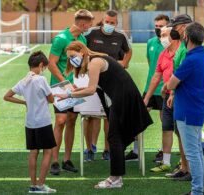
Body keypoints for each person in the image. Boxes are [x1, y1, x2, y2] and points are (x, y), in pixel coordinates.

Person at [55, 41, 152, 188]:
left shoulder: (95, 62)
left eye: (73, 56)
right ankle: (116, 177)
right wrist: (73, 91)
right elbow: (93, 87)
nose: (71, 60)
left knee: (114, 137)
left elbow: (91, 89)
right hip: (122, 98)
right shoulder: (95, 61)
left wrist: (68, 94)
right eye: (69, 58)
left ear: (82, 52)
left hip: (123, 98)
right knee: (115, 138)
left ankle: (115, 179)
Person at [164, 22, 204, 195]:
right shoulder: (202, 57)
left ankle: (197, 191)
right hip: (195, 110)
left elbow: (171, 82)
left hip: (188, 112)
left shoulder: (190, 59)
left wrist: (170, 88)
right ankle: (198, 190)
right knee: (196, 152)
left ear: (187, 38)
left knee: (193, 154)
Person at [48, 9, 94, 175]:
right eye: (89, 24)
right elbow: (51, 63)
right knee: (60, 121)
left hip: (75, 87)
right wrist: (64, 82)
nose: (91, 27)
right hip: (59, 87)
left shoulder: (82, 39)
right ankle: (54, 160)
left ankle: (66, 160)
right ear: (82, 24)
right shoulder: (60, 39)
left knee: (72, 121)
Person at [3, 51, 56, 193]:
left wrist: (24, 102)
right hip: (43, 122)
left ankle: (33, 185)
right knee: (48, 151)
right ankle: (41, 185)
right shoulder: (41, 80)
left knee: (33, 152)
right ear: (40, 65)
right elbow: (51, 100)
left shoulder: (23, 80)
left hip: (30, 123)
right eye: (44, 67)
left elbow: (7, 96)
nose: (44, 70)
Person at [84, 10, 132, 161]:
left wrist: (124, 63)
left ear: (116, 23)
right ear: (103, 20)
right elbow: (80, 48)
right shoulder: (91, 34)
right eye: (107, 22)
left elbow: (128, 51)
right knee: (90, 116)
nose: (110, 25)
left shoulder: (120, 36)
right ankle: (90, 148)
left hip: (113, 81)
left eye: (113, 23)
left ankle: (108, 149)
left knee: (109, 116)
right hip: (91, 79)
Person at [125, 14, 170, 162]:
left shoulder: (172, 43)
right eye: (156, 26)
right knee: (139, 117)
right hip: (150, 88)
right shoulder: (150, 42)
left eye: (161, 26)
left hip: (166, 89)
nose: (158, 29)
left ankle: (164, 152)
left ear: (168, 26)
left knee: (166, 121)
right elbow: (151, 63)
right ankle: (136, 152)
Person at [144, 26, 180, 173]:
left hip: (180, 98)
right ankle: (166, 162)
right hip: (167, 98)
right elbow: (156, 77)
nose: (161, 38)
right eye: (160, 35)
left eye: (165, 34)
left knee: (181, 131)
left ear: (173, 36)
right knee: (167, 128)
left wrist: (173, 93)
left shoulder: (182, 52)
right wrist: (146, 98)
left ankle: (185, 164)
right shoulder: (163, 54)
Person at [164, 14, 193, 181]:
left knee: (185, 135)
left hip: (185, 96)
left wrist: (173, 90)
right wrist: (172, 93)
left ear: (183, 26)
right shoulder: (183, 44)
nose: (173, 29)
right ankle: (184, 167)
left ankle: (188, 170)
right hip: (178, 94)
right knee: (179, 133)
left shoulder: (190, 46)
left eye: (175, 26)